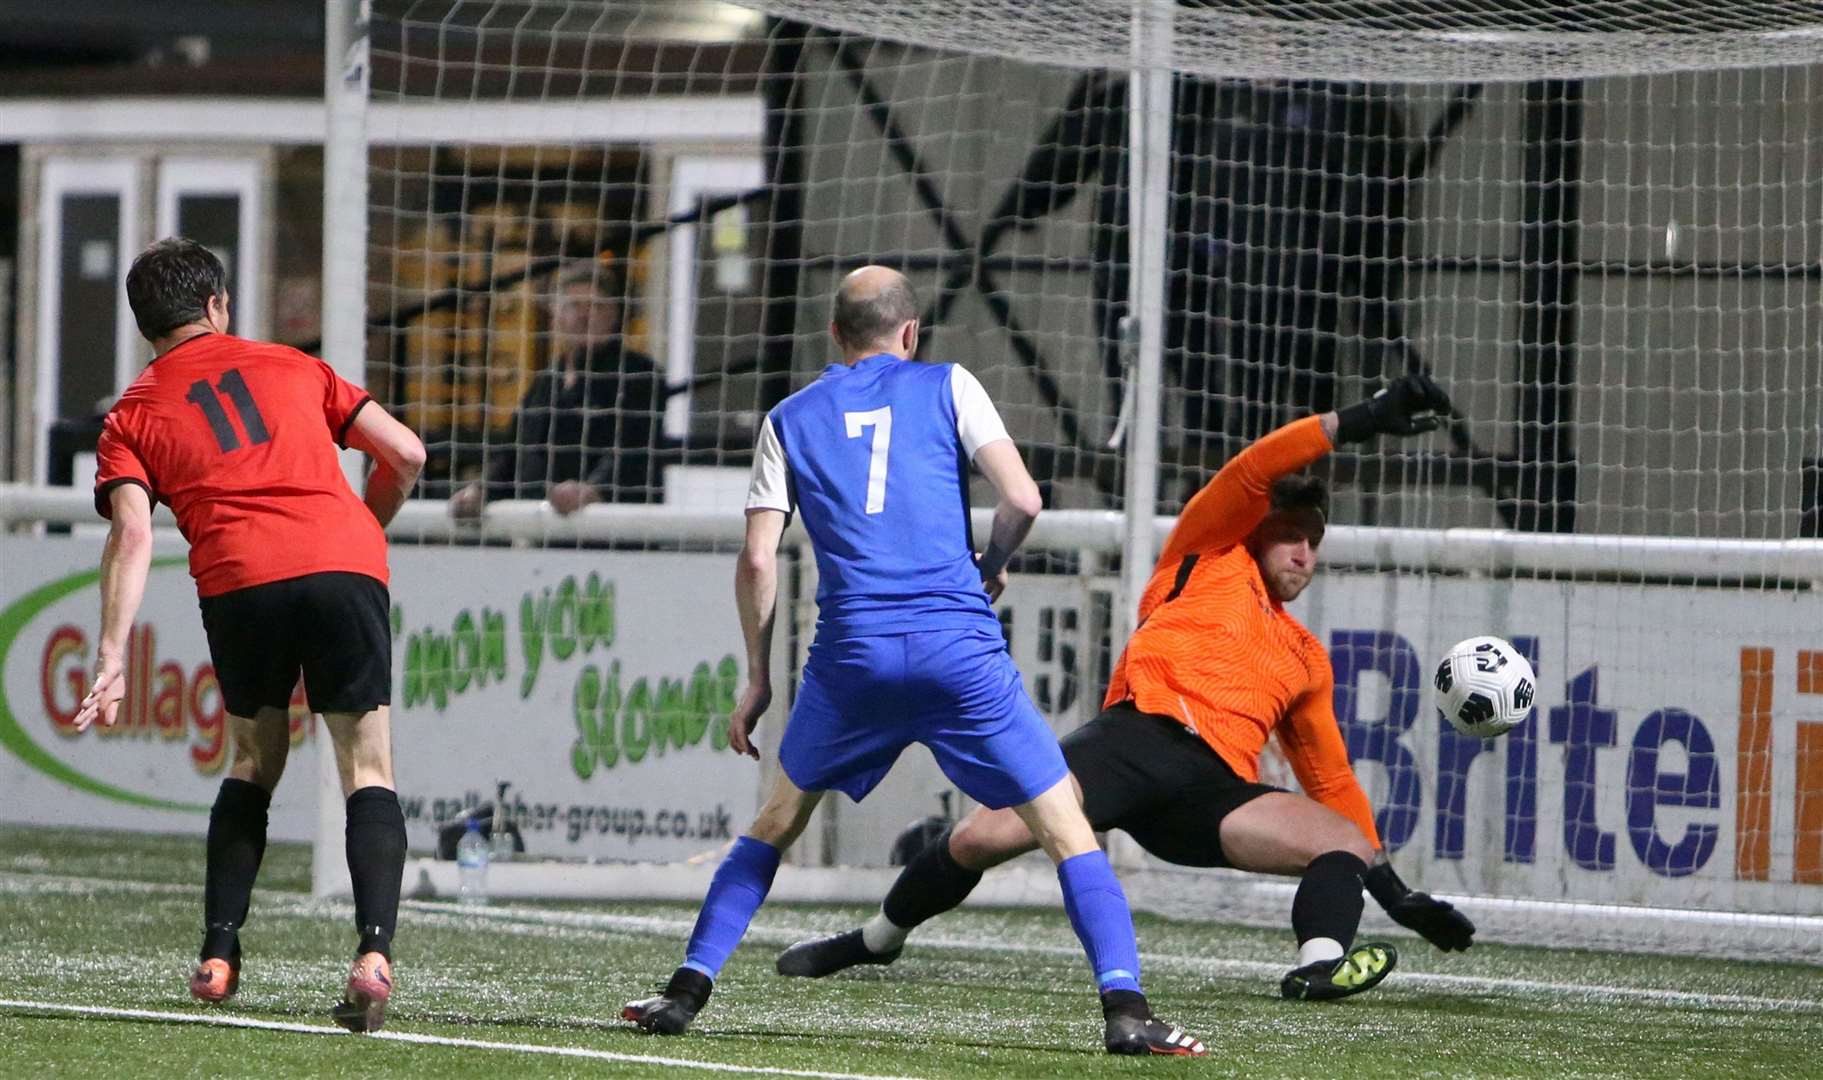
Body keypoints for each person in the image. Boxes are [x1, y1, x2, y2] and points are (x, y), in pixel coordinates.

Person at [620, 267, 1205, 1056]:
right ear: (909, 333)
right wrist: (991, 562)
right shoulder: (948, 384)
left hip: (851, 655)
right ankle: (1125, 1011)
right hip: (953, 646)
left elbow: (759, 560)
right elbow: (1024, 499)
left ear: (835, 337)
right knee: (1066, 824)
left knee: (776, 821)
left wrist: (757, 677)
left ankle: (687, 990)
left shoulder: (789, 417)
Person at [775, 373, 1476, 1002]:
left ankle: (1318, 966)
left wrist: (1394, 891)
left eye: (1312, 540)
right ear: (1255, 530)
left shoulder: (1304, 656)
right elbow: (1255, 466)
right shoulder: (1206, 553)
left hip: (1210, 792)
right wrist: (1362, 418)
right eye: (1289, 532)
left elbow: (1329, 777)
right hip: (1131, 741)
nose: (1302, 551)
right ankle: (874, 941)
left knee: (1342, 840)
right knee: (978, 837)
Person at [74, 237, 426, 1034]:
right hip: (344, 565)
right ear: (218, 305)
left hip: (239, 578)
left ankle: (218, 953)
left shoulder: (131, 414)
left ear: (144, 328)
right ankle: (373, 955)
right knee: (366, 767)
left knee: (252, 761)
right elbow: (405, 453)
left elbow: (130, 537)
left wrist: (111, 653)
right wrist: (358, 531)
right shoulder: (296, 366)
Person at [447, 269, 662, 518]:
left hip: (608, 527)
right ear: (554, 316)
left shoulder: (640, 375)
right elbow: (515, 450)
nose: (585, 315)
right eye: (574, 306)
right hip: (541, 526)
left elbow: (634, 450)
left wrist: (593, 489)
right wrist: (480, 490)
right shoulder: (546, 381)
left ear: (614, 315)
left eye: (597, 306)